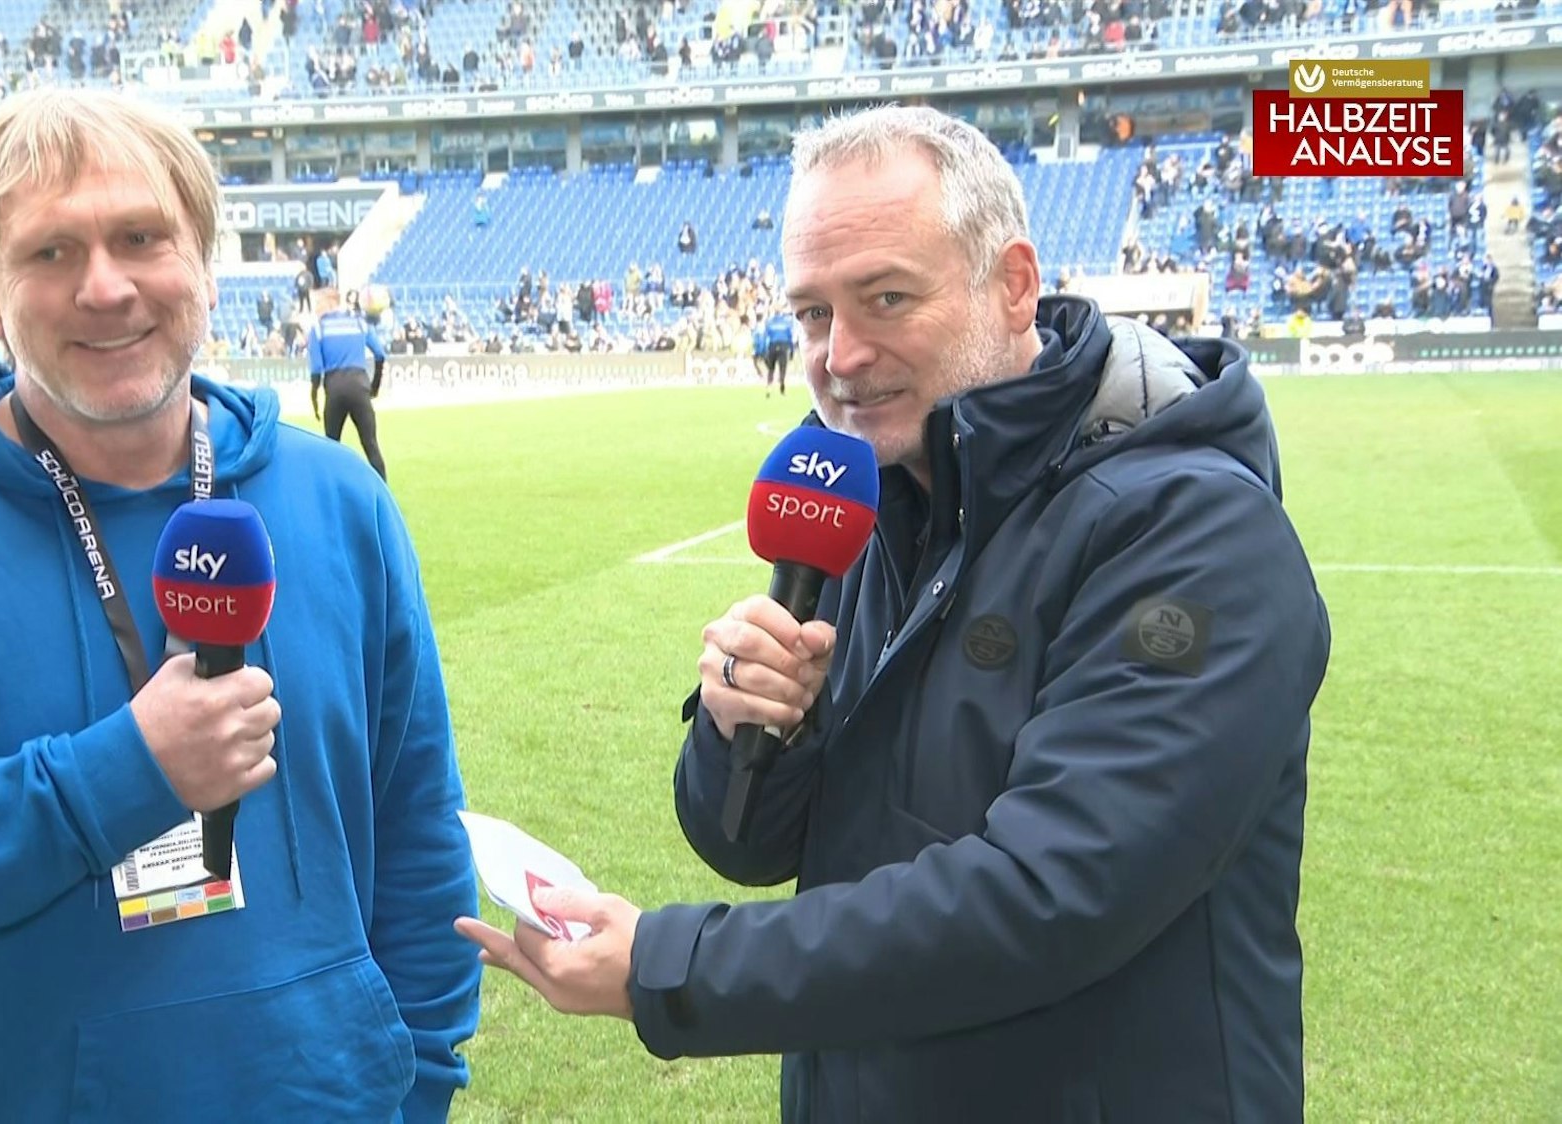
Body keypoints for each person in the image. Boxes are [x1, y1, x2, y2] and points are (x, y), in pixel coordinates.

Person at [457, 104, 1331, 1122]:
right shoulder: (872, 495)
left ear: (1011, 285)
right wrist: (749, 730)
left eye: (884, 298)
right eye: (811, 313)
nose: (839, 354)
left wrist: (666, 962)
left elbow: (1049, 897)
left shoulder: (1191, 530)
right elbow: (752, 846)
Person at [0, 88, 480, 1123]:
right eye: (49, 252)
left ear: (202, 262)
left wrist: (417, 1085)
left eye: (140, 237)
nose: (104, 286)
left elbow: (418, 831)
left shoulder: (340, 503)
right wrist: (118, 775)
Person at [307, 287, 389, 480]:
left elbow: (316, 369)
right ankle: (384, 491)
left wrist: (315, 398)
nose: (316, 309)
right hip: (359, 387)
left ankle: (332, 490)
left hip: (334, 389)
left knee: (331, 446)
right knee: (370, 444)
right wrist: (374, 386)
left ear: (330, 303)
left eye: (318, 304)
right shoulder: (359, 323)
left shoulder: (318, 329)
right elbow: (380, 354)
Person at [759, 301, 795, 396]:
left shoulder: (769, 322)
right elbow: (790, 337)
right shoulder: (787, 322)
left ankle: (769, 388)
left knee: (771, 368)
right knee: (782, 368)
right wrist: (792, 350)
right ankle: (782, 387)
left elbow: (765, 337)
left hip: (773, 345)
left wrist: (762, 350)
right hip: (784, 345)